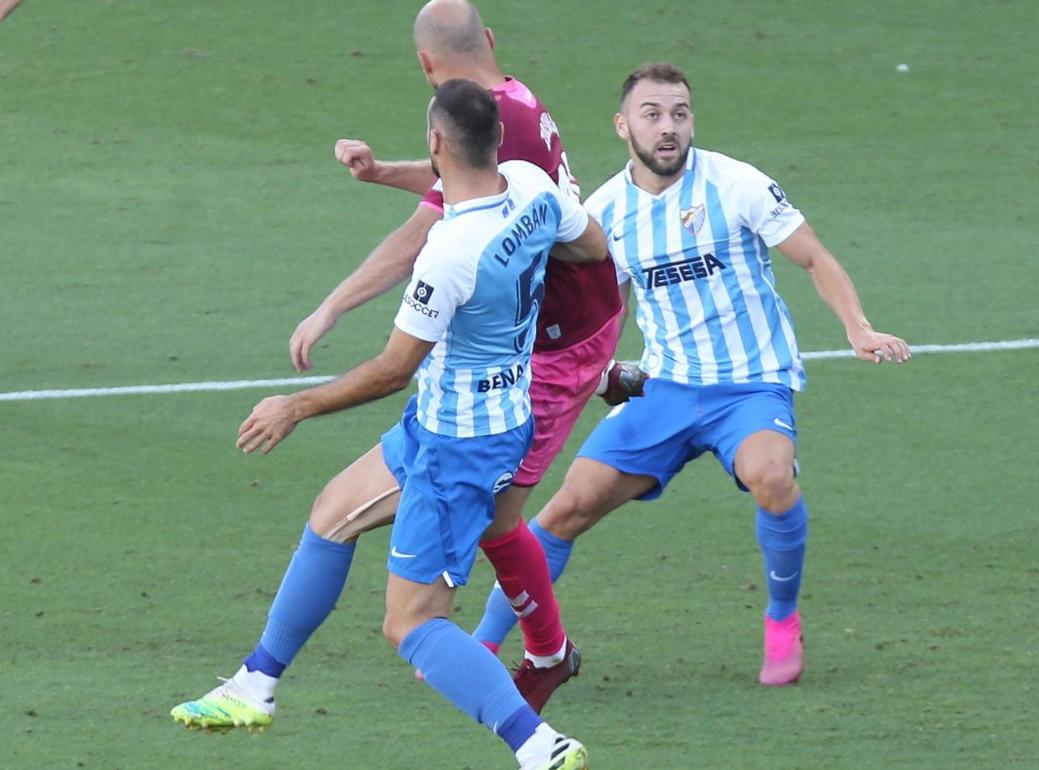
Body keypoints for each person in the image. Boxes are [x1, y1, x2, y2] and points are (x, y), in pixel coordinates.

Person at [171, 0, 638, 729]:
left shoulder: (464, 218)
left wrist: (329, 311)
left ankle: (541, 675)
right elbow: (493, 192)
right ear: (489, 42)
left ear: (426, 66)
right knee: (342, 513)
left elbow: (414, 275)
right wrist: (389, 170)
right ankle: (256, 681)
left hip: (544, 353)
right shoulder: (510, 107)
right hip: (538, 341)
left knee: (470, 551)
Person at [469, 62, 912, 689]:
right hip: (665, 388)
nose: (668, 127)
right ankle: (485, 639)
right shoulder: (604, 212)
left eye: (679, 113)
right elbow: (602, 312)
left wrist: (858, 327)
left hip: (751, 382)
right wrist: (587, 376)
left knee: (772, 477)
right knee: (564, 510)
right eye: (652, 115)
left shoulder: (737, 184)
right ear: (624, 126)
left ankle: (782, 620)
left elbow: (813, 255)